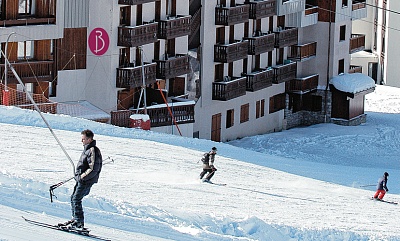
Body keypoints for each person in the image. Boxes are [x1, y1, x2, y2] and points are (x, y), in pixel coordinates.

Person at [61, 129, 103, 230]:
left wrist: (82, 176)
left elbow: (93, 168)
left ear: (89, 139)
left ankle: (79, 223)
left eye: (83, 139)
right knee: (73, 198)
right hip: (81, 179)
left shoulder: (93, 150)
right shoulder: (87, 149)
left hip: (86, 180)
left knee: (76, 199)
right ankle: (75, 219)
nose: (82, 141)